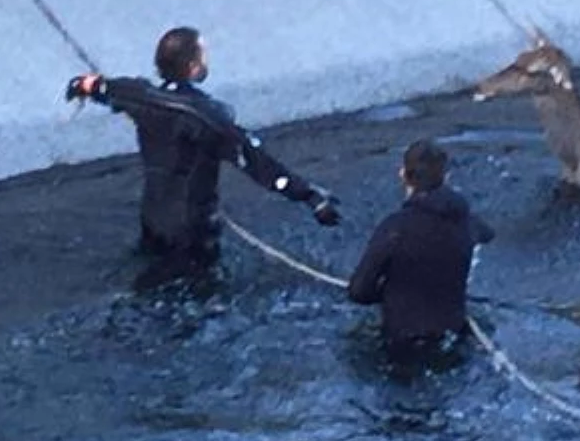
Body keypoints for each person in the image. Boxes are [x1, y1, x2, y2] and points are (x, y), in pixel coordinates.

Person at [64, 26, 341, 287]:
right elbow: (259, 165)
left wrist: (82, 86)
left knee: (150, 280)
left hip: (153, 219)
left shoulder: (138, 95)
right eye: (202, 57)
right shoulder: (207, 118)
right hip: (192, 230)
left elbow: (101, 88)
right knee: (197, 289)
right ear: (192, 68)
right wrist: (310, 197)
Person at [346, 139, 494, 370]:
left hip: (402, 342)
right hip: (453, 334)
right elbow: (487, 235)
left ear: (404, 175)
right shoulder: (467, 222)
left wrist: (389, 291)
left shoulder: (395, 228)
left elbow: (358, 292)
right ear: (446, 177)